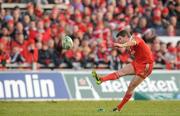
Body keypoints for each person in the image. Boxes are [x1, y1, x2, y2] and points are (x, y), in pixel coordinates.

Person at [92, 30, 154, 112]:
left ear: (126, 37)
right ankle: (101, 79)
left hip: (146, 65)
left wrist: (121, 45)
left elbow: (133, 42)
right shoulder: (128, 46)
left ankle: (119, 108)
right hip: (137, 62)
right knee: (120, 72)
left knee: (131, 87)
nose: (118, 41)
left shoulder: (136, 39)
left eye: (120, 39)